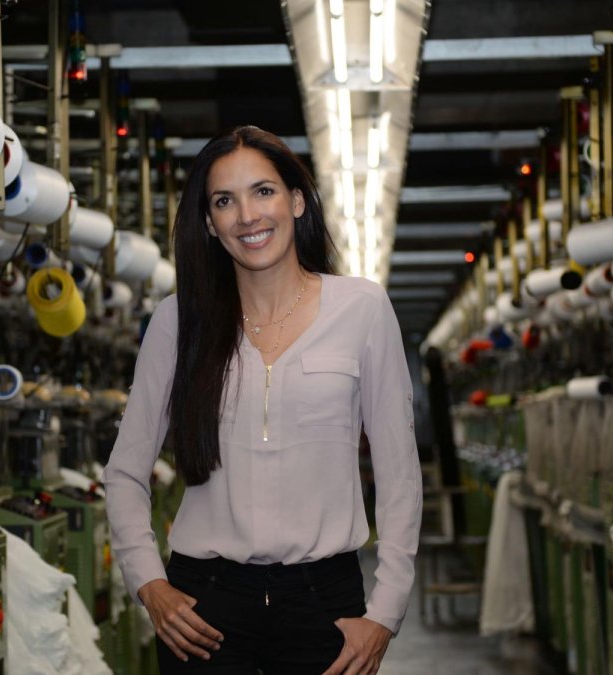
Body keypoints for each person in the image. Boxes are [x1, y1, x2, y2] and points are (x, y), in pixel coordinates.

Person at [104, 125, 423, 674]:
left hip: (324, 604)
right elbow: (125, 472)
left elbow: (399, 473)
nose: (248, 215)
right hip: (203, 606)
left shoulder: (362, 309)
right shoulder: (179, 322)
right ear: (209, 222)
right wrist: (150, 585)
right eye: (225, 201)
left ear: (297, 201)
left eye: (264, 191)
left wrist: (386, 611)